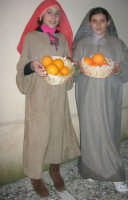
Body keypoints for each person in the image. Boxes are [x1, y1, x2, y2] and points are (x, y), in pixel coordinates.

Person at [16, 0, 80, 197]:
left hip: (58, 94)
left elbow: (67, 67)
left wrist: (71, 70)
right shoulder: (31, 38)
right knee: (37, 135)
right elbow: (22, 66)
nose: (54, 16)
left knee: (56, 131)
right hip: (39, 95)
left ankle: (55, 169)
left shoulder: (62, 39)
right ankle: (35, 176)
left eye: (57, 13)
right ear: (40, 16)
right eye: (49, 12)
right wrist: (31, 67)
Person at [72, 7, 128, 193]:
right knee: (89, 133)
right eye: (94, 21)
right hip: (87, 95)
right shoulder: (81, 44)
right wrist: (78, 70)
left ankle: (115, 175)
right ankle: (91, 170)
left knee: (109, 132)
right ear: (89, 23)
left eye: (102, 21)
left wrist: (117, 69)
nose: (98, 25)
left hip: (109, 96)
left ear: (108, 22)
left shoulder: (117, 43)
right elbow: (72, 69)